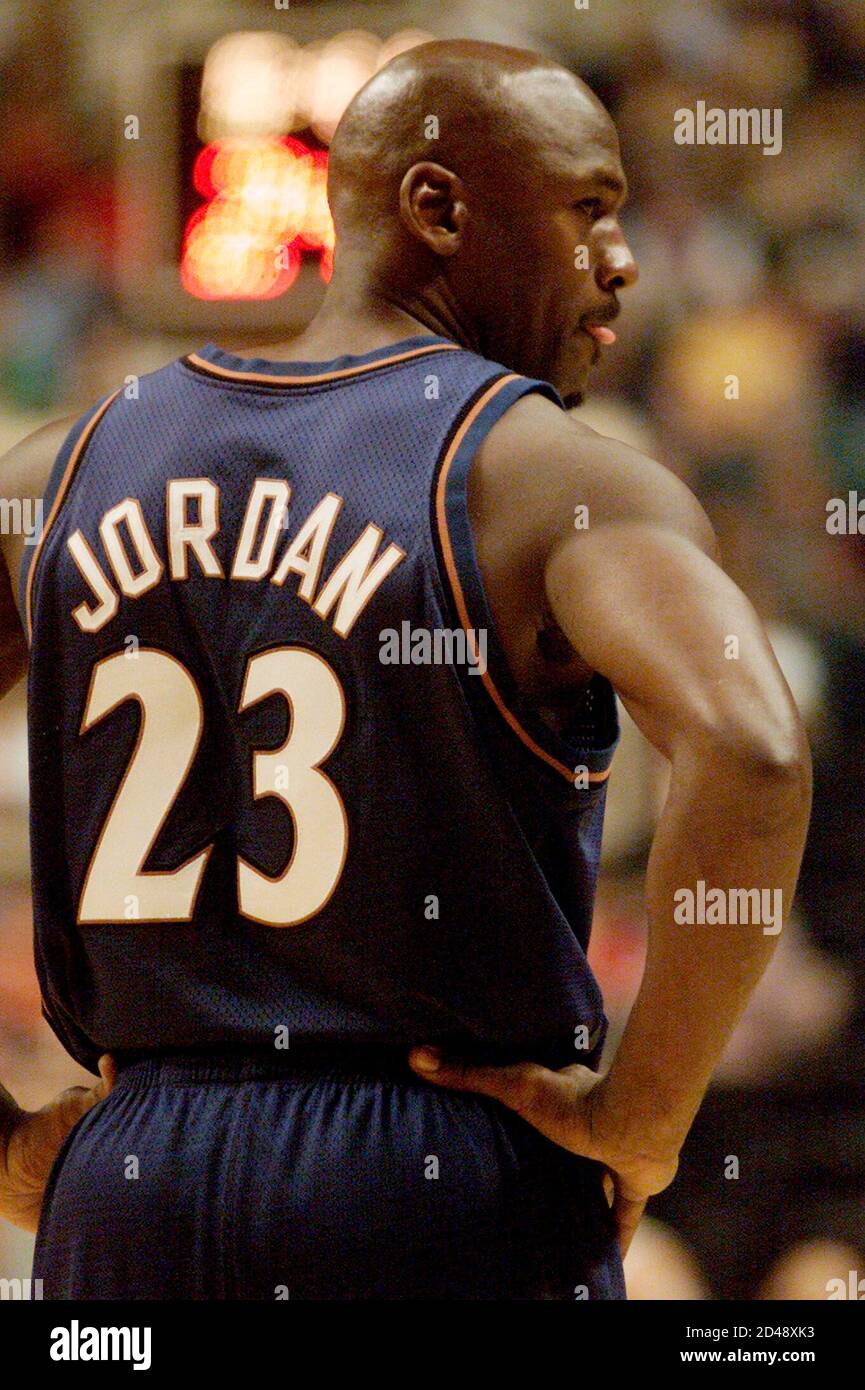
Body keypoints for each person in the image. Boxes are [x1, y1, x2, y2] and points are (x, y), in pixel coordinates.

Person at [0, 39, 811, 1300]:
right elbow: (753, 752)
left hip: (135, 1185)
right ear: (437, 209)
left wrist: (1, 1142)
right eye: (588, 208)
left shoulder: (61, 471)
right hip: (435, 1166)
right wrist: (646, 1113)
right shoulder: (547, 477)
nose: (624, 258)